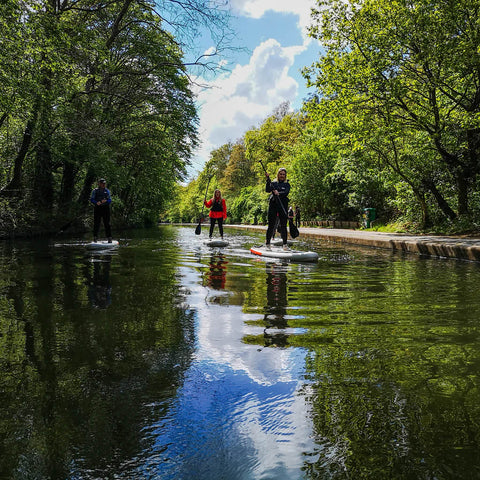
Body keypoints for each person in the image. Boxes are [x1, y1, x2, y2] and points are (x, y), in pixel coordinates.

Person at [265, 167, 290, 251]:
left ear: (285, 176)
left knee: (283, 225)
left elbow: (286, 192)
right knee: (271, 225)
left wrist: (278, 193)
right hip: (273, 205)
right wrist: (268, 181)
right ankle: (268, 243)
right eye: (281, 174)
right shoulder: (274, 183)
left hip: (283, 206)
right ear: (278, 174)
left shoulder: (287, 184)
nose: (282, 176)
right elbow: (267, 190)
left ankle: (285, 245)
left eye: (283, 174)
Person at [90, 178, 112, 242]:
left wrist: (106, 201)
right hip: (98, 208)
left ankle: (109, 238)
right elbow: (92, 199)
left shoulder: (107, 191)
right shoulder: (95, 191)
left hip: (106, 208)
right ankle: (95, 237)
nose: (103, 184)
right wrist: (96, 202)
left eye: (104, 183)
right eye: (102, 183)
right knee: (96, 223)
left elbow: (110, 200)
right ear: (99, 184)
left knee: (107, 223)